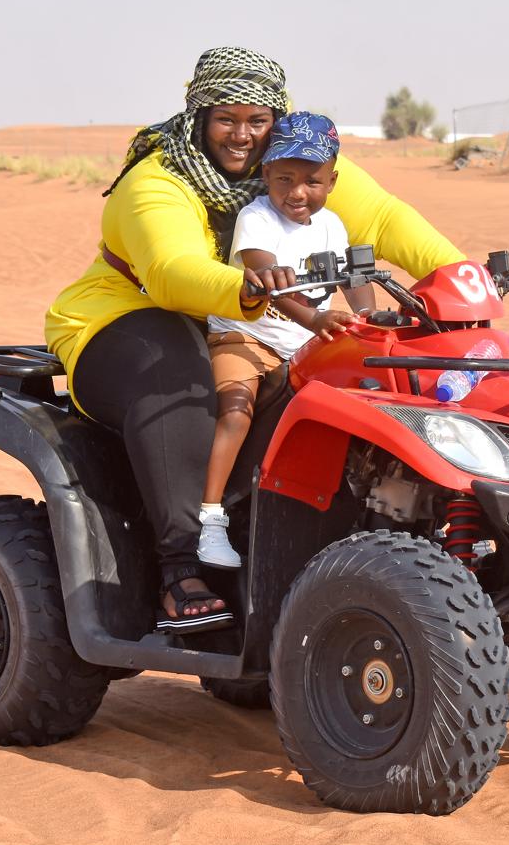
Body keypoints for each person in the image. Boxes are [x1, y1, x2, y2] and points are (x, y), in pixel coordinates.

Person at [44, 47, 465, 634]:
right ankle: (179, 568)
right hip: (126, 314)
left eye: (256, 121)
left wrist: (460, 276)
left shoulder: (291, 168)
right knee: (174, 370)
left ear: (276, 120)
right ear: (198, 116)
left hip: (251, 320)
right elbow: (169, 271)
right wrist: (253, 288)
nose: (241, 136)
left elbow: (385, 220)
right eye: (225, 119)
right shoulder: (158, 180)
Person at [198, 111, 370, 567]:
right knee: (236, 409)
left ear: (331, 180)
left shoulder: (332, 225)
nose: (297, 192)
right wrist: (314, 319)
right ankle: (210, 520)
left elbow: (354, 279)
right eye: (284, 179)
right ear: (266, 175)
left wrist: (374, 317)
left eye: (311, 181)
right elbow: (266, 278)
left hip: (304, 346)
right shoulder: (256, 219)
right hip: (245, 337)